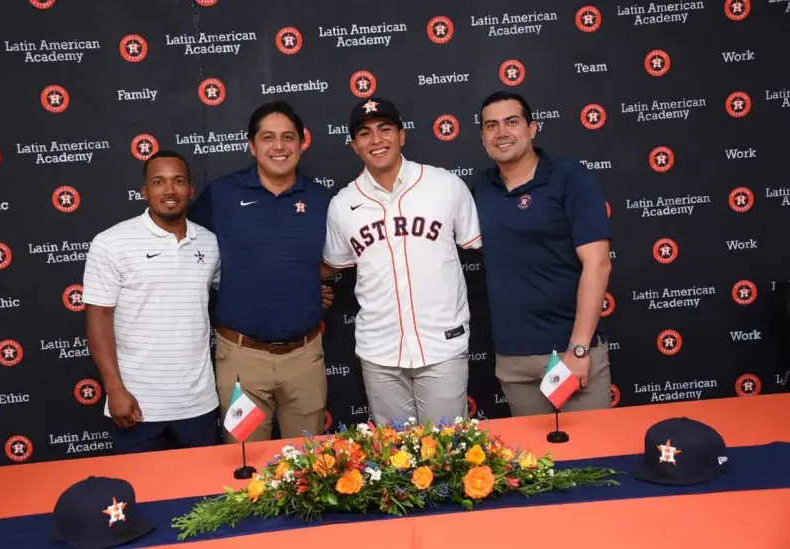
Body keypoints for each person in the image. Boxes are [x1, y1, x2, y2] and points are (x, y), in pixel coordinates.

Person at [321, 97, 482, 427]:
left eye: (385, 129)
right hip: (379, 352)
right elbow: (332, 264)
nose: (376, 140)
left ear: (402, 135)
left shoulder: (445, 185)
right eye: (365, 133)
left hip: (442, 347)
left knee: (450, 454)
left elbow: (478, 245)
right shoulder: (343, 203)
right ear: (354, 145)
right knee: (393, 459)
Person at [186, 101, 332, 443]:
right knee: (244, 460)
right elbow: (187, 249)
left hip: (304, 358)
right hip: (241, 359)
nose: (278, 146)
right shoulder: (221, 195)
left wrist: (311, 286)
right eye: (268, 137)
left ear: (302, 142)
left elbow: (334, 259)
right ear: (252, 145)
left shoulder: (323, 199)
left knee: (310, 466)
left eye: (288, 137)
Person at [473, 90, 613, 417]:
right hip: (514, 361)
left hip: (570, 354)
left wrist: (578, 348)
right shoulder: (481, 188)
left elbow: (598, 263)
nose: (502, 132)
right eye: (491, 126)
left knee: (593, 458)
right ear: (483, 138)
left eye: (512, 122)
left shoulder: (570, 178)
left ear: (532, 128)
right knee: (533, 465)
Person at [82, 150, 222, 454]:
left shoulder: (209, 243)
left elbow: (242, 292)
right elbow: (99, 319)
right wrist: (114, 388)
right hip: (137, 404)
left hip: (197, 403)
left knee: (204, 496)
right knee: (138, 497)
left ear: (191, 190)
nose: (169, 190)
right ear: (145, 191)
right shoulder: (110, 243)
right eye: (159, 182)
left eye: (178, 181)